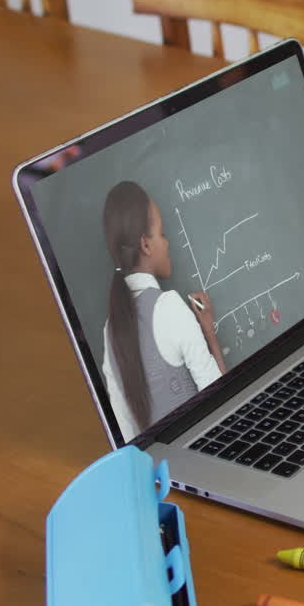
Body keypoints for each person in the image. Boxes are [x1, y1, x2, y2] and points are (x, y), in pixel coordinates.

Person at [101, 180, 227, 442]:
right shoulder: (169, 307)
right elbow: (223, 402)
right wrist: (209, 334)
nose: (168, 243)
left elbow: (126, 435)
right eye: (162, 233)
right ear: (146, 245)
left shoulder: (109, 331)